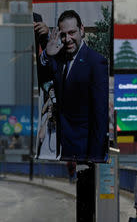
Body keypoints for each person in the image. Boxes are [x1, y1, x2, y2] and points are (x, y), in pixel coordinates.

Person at [37, 10, 109, 161]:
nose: (68, 39)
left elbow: (100, 117)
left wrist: (95, 159)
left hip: (83, 151)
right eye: (64, 34)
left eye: (72, 32)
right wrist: (46, 55)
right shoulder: (58, 57)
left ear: (82, 30)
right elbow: (42, 77)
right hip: (61, 149)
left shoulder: (96, 62)